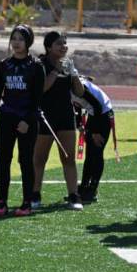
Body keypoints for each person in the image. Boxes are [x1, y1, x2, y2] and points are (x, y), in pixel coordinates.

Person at [0, 25, 44, 217]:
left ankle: (26, 202)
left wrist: (28, 120)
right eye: (14, 38)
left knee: (25, 160)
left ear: (28, 42)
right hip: (7, 117)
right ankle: (2, 201)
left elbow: (38, 98)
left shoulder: (36, 66)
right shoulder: (4, 65)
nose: (16, 42)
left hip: (27, 120)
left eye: (20, 39)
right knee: (3, 160)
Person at [32, 31, 85, 211]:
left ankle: (73, 195)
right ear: (48, 48)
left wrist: (74, 73)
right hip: (45, 117)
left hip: (65, 116)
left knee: (68, 158)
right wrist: (56, 71)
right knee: (40, 158)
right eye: (58, 44)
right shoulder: (40, 64)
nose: (63, 47)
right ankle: (35, 194)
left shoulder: (68, 64)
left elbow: (79, 92)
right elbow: (41, 89)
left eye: (65, 43)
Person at [73, 77, 114, 203]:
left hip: (102, 115)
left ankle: (93, 189)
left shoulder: (75, 85)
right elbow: (77, 104)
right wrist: (79, 123)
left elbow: (97, 106)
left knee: (96, 152)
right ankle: (84, 186)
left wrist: (95, 132)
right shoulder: (68, 85)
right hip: (94, 114)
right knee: (89, 154)